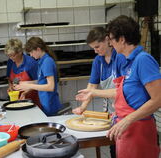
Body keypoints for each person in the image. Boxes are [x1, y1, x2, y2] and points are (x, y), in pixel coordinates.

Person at [77, 15, 160, 158]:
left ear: (121, 39)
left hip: (139, 130)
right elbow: (124, 94)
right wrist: (119, 113)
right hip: (126, 128)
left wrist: (128, 119)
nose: (111, 44)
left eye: (111, 39)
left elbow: (158, 100)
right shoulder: (129, 63)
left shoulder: (143, 60)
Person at [73, 27, 126, 158]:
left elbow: (123, 91)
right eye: (93, 48)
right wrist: (83, 107)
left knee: (123, 149)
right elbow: (91, 86)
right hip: (110, 112)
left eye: (97, 47)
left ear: (107, 40)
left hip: (125, 111)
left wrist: (94, 93)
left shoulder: (120, 57)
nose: (95, 51)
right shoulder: (98, 61)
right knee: (113, 147)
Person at [14, 37, 62, 116]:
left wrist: (29, 85)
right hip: (45, 103)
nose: (31, 55)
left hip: (50, 104)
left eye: (32, 52)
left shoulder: (47, 62)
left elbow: (50, 86)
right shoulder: (41, 61)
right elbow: (41, 80)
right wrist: (26, 84)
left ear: (38, 49)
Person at [4, 38, 41, 107]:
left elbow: (39, 82)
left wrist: (26, 91)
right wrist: (10, 86)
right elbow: (10, 78)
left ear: (20, 52)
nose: (11, 58)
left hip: (32, 101)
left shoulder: (31, 63)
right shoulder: (10, 62)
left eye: (13, 55)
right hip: (16, 100)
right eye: (9, 55)